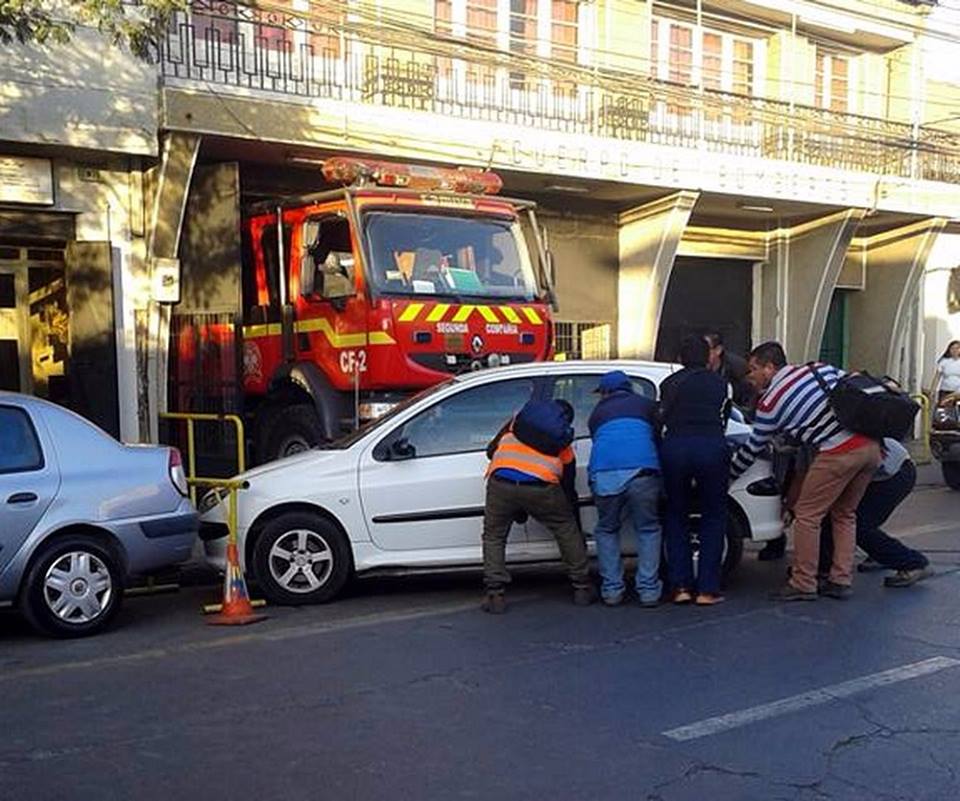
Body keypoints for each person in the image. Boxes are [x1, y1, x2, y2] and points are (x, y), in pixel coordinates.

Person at [730, 341, 882, 602]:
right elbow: (855, 383)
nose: (750, 377)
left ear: (769, 367)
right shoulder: (818, 370)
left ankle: (803, 581)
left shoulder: (770, 402)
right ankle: (840, 579)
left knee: (807, 515)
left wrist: (730, 474)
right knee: (845, 514)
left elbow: (754, 445)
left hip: (837, 452)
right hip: (870, 447)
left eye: (753, 369)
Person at [481, 399, 594, 613]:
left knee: (494, 535)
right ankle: (582, 586)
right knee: (564, 528)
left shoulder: (515, 424)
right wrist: (570, 512)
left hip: (501, 481)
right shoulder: (562, 443)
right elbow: (567, 485)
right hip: (541, 485)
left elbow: (490, 451)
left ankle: (495, 593)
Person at [660, 335, 731, 606]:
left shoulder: (669, 384)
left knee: (676, 514)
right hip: (711, 448)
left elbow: (663, 416)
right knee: (713, 516)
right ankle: (707, 589)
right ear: (708, 357)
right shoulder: (720, 384)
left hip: (675, 448)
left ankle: (680, 587)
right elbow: (724, 417)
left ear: (679, 359)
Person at [587, 370, 663, 608]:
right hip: (643, 471)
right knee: (648, 528)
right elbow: (657, 434)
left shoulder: (597, 414)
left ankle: (612, 590)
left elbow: (597, 439)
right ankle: (649, 591)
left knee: (607, 529)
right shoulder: (647, 405)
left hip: (605, 472)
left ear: (606, 392)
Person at [816, 438, 932, 588]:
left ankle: (913, 564)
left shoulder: (812, 435)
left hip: (892, 473)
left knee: (857, 525)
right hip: (885, 467)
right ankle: (824, 566)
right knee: (839, 520)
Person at [703, 330, 756, 411]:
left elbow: (748, 397)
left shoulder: (737, 368)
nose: (702, 354)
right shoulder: (698, 364)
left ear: (718, 350)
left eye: (706, 350)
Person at [933, 340, 960, 405]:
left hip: (957, 392)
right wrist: (933, 391)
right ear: (949, 349)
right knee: (944, 411)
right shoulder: (944, 361)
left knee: (956, 412)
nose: (955, 350)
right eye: (952, 348)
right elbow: (937, 377)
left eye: (957, 348)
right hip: (944, 390)